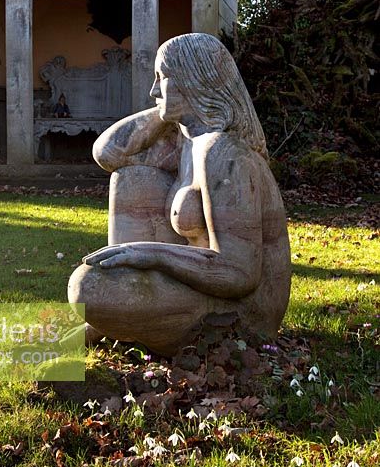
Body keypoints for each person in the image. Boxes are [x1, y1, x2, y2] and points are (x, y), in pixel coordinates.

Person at [68, 33, 291, 356]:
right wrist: (165, 111)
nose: (153, 90)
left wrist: (152, 254)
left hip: (243, 308)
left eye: (163, 79)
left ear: (195, 81)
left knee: (88, 287)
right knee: (132, 178)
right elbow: (108, 154)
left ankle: (120, 322)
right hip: (202, 282)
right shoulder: (186, 142)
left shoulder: (224, 152)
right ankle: (116, 323)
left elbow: (240, 273)